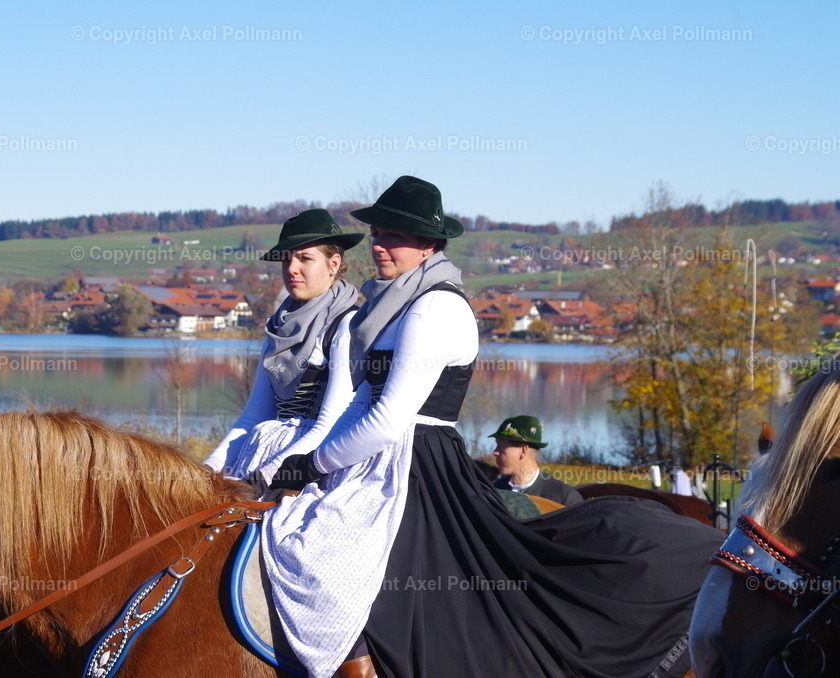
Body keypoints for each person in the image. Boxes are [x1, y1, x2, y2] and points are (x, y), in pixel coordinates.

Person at [252, 176, 723, 678]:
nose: (382, 245)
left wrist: (315, 461)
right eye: (379, 234)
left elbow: (391, 417)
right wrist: (299, 464)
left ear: (429, 244)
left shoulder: (437, 305)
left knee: (335, 559)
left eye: (395, 236)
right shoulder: (383, 306)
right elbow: (357, 403)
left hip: (417, 461)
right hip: (371, 460)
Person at [202, 209, 363, 479]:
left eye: (305, 258)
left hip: (314, 468)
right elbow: (253, 417)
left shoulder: (346, 325)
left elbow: (331, 424)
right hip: (262, 460)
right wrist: (209, 467)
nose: (291, 269)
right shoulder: (276, 327)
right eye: (285, 259)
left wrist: (268, 476)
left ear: (334, 264)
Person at [491, 415, 583, 505]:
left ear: (523, 450)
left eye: (501, 446)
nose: (495, 452)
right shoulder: (494, 491)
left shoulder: (564, 498)